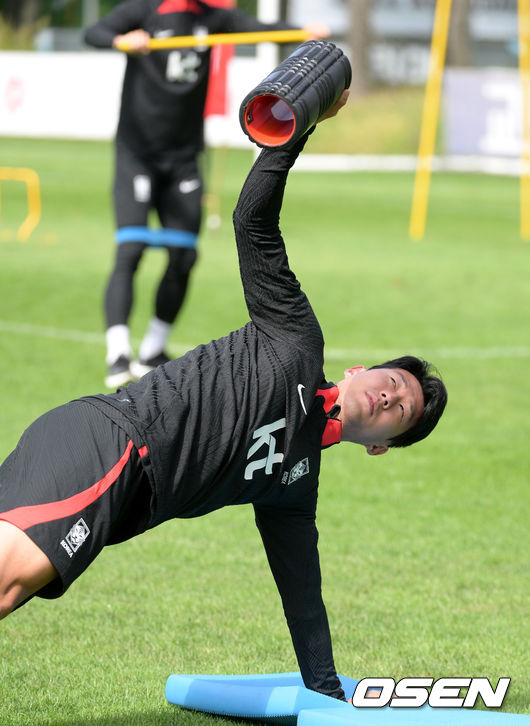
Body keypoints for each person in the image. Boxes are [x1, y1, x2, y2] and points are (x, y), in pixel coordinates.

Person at [0, 92, 447, 701]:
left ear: (382, 448)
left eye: (402, 413)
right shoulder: (296, 340)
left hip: (115, 477)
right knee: (9, 579)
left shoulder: (294, 484)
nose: (391, 399)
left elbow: (302, 592)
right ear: (359, 369)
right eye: (393, 382)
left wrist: (325, 687)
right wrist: (295, 130)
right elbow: (252, 224)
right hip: (113, 444)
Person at [84, 0, 329, 388]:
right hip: (137, 153)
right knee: (131, 248)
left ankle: (152, 350)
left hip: (183, 158)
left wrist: (303, 33)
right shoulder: (142, 10)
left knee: (183, 255)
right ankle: (117, 354)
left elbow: (260, 28)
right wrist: (121, 41)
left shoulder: (213, 18)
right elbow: (92, 33)